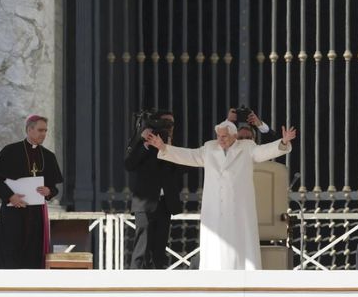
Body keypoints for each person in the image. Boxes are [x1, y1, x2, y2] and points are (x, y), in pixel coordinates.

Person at [146, 120, 296, 270]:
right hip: (215, 207)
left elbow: (263, 151)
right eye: (218, 136)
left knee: (240, 243)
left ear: (234, 136)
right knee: (216, 245)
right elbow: (190, 156)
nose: (221, 139)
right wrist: (163, 147)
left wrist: (282, 142)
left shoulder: (247, 147)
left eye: (224, 136)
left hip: (238, 208)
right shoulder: (209, 148)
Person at [0, 115, 63, 269]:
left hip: (36, 215)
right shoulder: (10, 151)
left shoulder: (48, 156)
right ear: (29, 129)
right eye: (40, 130)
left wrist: (49, 191)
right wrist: (10, 196)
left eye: (46, 131)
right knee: (10, 251)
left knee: (34, 254)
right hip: (13, 212)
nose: (44, 134)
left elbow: (54, 188)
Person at [124, 109, 184, 269]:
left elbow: (181, 171)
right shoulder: (142, 140)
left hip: (165, 203)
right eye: (165, 123)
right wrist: (144, 143)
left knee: (160, 246)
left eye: (171, 124)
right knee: (142, 244)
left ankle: (159, 281)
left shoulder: (174, 144)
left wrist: (168, 148)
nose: (168, 127)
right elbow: (129, 164)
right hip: (144, 201)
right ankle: (136, 277)